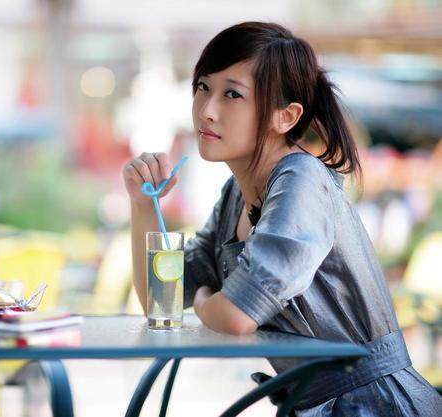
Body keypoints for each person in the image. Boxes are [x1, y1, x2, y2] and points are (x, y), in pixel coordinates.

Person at [122, 22, 442, 416]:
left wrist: (204, 302)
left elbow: (237, 316)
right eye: (202, 87)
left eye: (232, 94)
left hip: (376, 405)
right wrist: (142, 205)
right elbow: (159, 300)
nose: (207, 111)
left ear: (286, 117)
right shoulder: (235, 195)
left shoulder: (301, 181)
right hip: (314, 403)